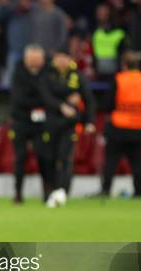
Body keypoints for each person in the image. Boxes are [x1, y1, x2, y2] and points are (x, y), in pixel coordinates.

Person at [40, 48, 96, 208]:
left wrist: (89, 121)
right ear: (54, 59)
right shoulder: (47, 74)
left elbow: (89, 99)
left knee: (65, 158)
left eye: (65, 57)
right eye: (59, 57)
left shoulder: (77, 75)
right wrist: (64, 104)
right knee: (48, 159)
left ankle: (62, 191)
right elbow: (45, 96)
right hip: (50, 125)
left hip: (69, 125)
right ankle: (50, 191)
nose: (62, 61)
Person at [102, 51, 141, 198]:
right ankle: (139, 192)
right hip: (140, 128)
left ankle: (105, 190)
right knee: (137, 161)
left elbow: (107, 104)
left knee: (111, 161)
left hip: (119, 126)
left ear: (124, 65)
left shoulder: (119, 79)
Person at [9, 44, 50, 203]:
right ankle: (18, 193)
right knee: (20, 158)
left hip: (41, 123)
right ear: (25, 59)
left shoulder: (47, 72)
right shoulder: (18, 72)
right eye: (31, 59)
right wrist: (40, 100)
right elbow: (18, 99)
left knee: (43, 156)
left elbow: (49, 96)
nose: (34, 63)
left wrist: (41, 100)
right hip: (20, 121)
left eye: (37, 59)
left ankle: (47, 192)